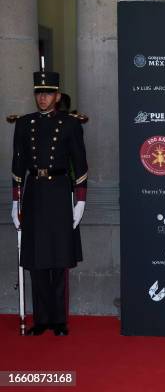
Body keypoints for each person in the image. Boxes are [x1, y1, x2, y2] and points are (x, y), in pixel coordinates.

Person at [11, 66, 88, 336]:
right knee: (36, 259)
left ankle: (59, 320)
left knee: (58, 259)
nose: (42, 98)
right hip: (34, 193)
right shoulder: (24, 123)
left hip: (58, 192)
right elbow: (17, 164)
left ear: (57, 96)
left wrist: (80, 201)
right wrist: (15, 201)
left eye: (48, 93)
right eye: (39, 93)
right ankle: (41, 319)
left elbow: (80, 164)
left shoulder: (69, 124)